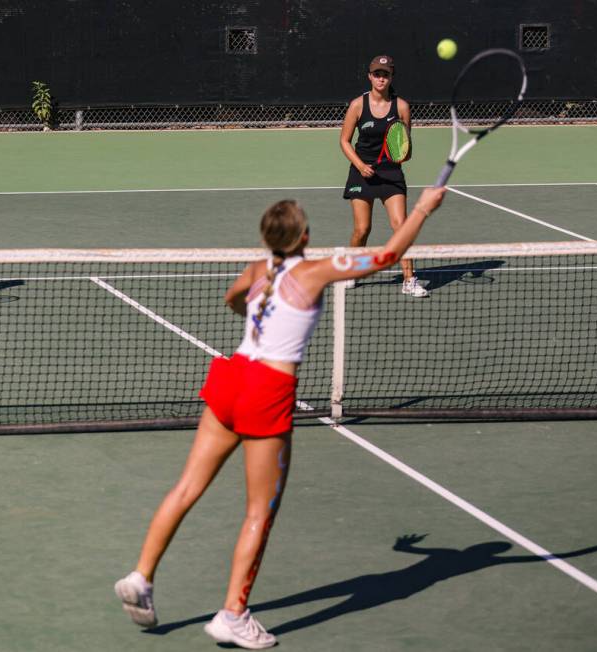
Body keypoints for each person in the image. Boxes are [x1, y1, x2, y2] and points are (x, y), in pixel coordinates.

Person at [114, 186, 448, 649]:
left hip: (230, 379)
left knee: (186, 487)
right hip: (265, 392)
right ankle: (233, 612)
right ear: (305, 235)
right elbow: (389, 254)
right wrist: (425, 209)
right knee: (260, 509)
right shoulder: (314, 272)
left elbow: (233, 300)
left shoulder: (256, 270)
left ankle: (141, 575)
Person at [340, 55, 428, 298]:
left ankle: (409, 279)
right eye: (377, 73)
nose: (381, 78)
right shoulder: (358, 105)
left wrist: (403, 154)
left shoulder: (402, 107)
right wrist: (360, 165)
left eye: (385, 74)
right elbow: (344, 141)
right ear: (370, 76)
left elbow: (405, 148)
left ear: (391, 77)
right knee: (362, 229)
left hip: (390, 173)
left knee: (401, 226)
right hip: (362, 173)